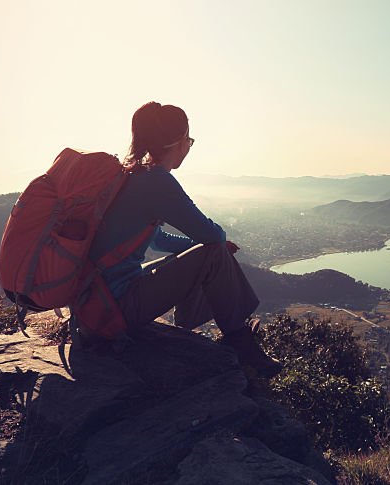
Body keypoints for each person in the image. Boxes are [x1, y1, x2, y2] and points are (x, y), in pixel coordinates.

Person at [88, 101, 282, 377]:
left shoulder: (131, 176)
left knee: (207, 253)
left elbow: (160, 241)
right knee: (214, 252)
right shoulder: (156, 182)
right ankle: (240, 340)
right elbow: (211, 234)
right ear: (178, 143)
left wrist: (198, 250)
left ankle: (195, 327)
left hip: (98, 298)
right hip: (116, 306)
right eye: (189, 140)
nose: (189, 147)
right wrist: (213, 247)